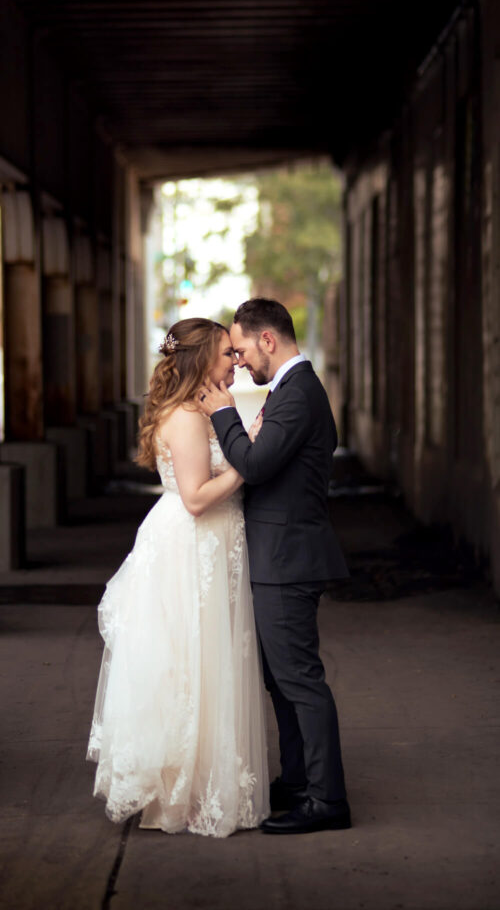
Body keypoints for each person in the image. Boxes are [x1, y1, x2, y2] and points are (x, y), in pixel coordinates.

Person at [87, 317, 269, 837]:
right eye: (224, 354)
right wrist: (247, 460)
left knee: (207, 660)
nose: (234, 360)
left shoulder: (202, 409)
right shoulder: (188, 418)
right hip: (192, 544)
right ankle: (186, 790)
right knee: (194, 661)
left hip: (209, 543)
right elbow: (194, 499)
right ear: (199, 362)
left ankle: (201, 781)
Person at [199, 298, 351, 835]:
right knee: (279, 681)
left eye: (240, 349)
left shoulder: (299, 393)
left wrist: (222, 414)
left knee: (300, 680)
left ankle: (327, 800)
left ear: (268, 340)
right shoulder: (289, 392)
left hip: (289, 559)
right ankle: (298, 781)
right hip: (276, 556)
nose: (238, 362)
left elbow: (257, 465)